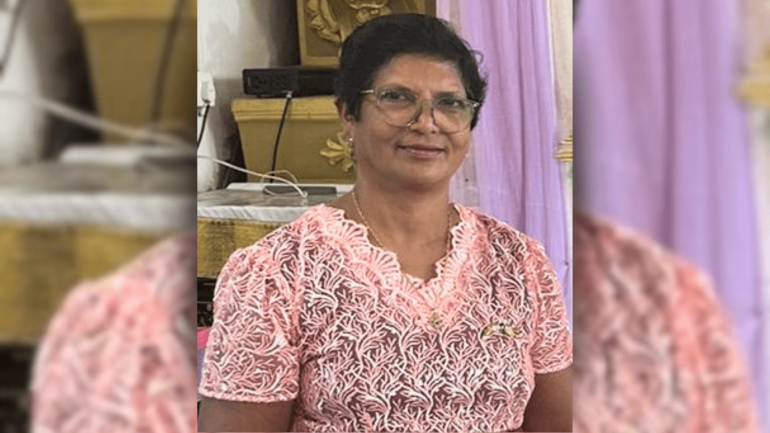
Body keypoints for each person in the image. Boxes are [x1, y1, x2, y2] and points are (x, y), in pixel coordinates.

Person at [198, 14, 572, 432]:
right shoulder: (275, 274)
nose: (427, 122)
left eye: (450, 103)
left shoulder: (519, 263)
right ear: (347, 115)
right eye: (397, 98)